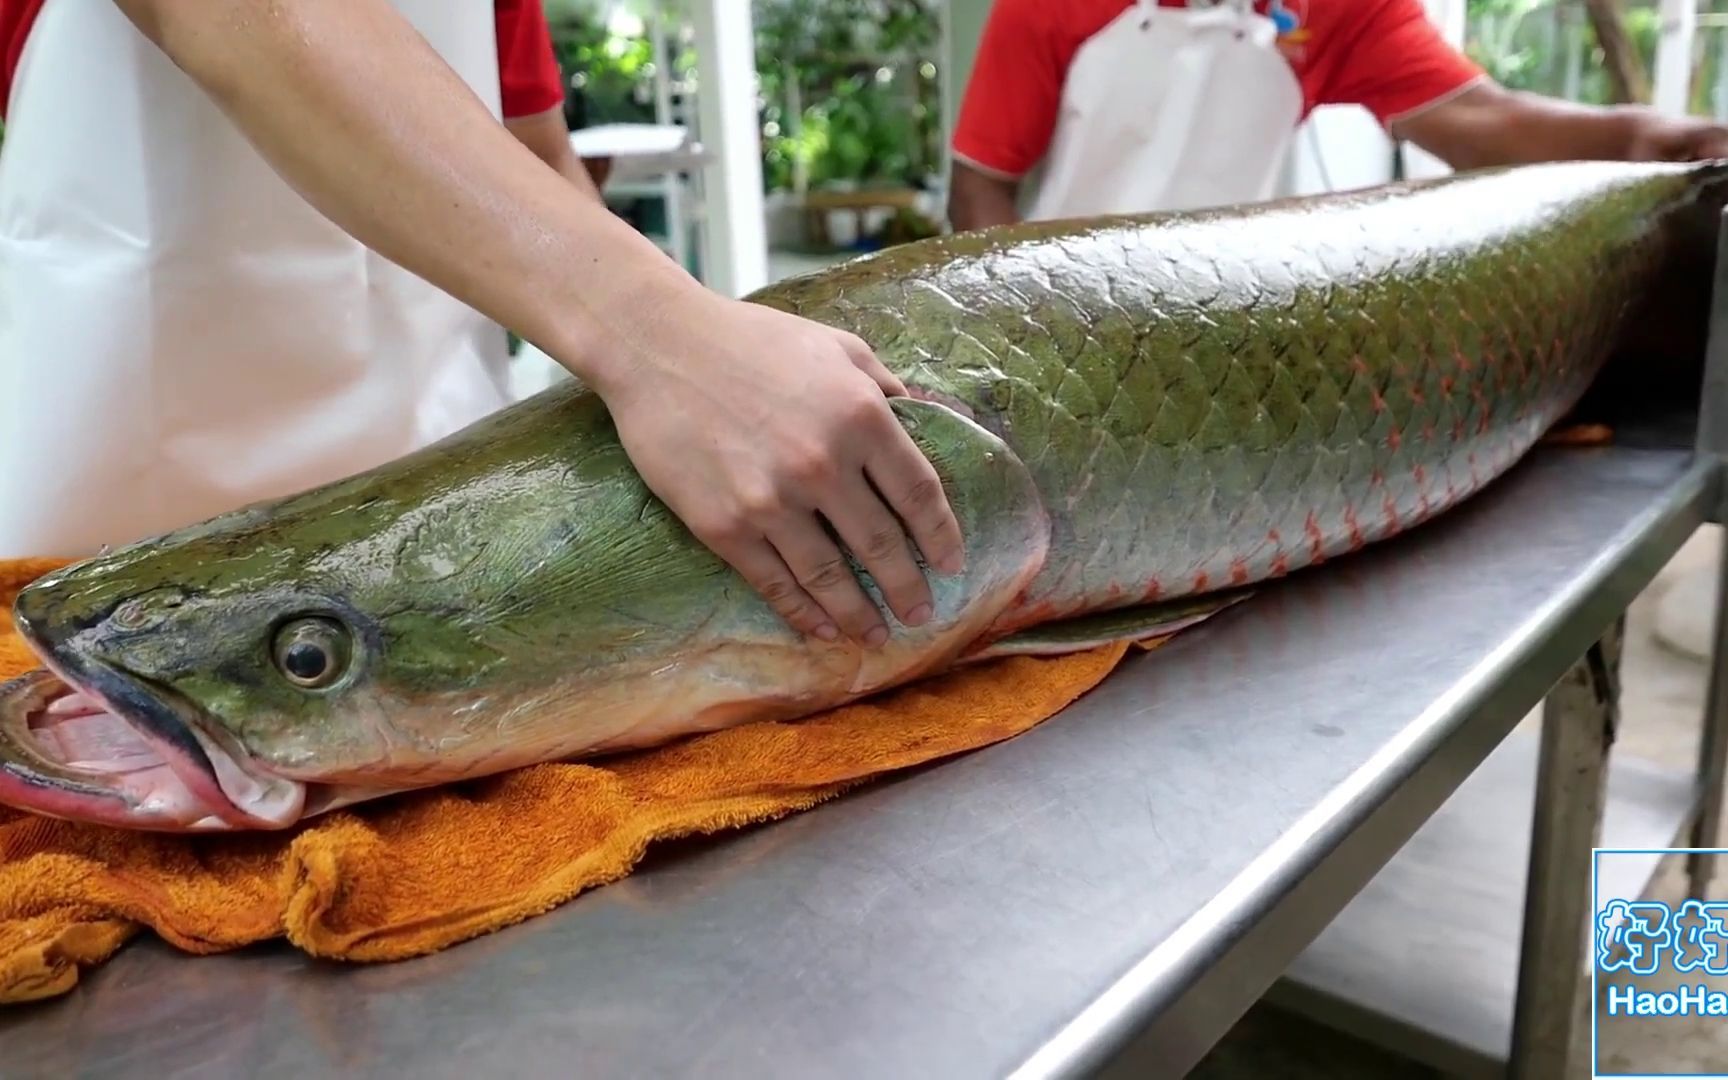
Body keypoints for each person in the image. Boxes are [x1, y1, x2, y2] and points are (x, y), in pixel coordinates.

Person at [0, 0, 963, 651]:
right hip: (115, 559)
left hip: (456, 548)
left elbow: (533, 147)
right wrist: (655, 336)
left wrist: (716, 361)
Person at [948, 0, 1728, 230]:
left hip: (1219, 301)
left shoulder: (1341, 9)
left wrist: (1649, 140)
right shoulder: (1046, 6)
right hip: (1052, 291)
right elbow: (981, 182)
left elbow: (1488, 125)